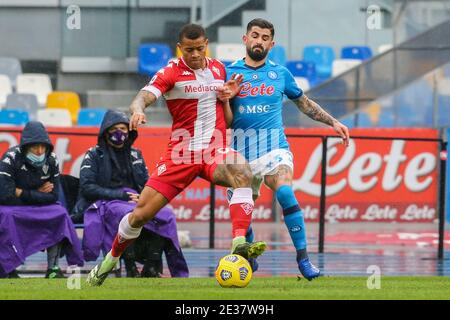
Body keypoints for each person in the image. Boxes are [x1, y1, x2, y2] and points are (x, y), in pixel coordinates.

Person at [86, 23, 266, 286]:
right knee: (140, 215)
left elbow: (226, 121)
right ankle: (108, 262)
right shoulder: (171, 72)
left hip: (214, 150)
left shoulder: (218, 69)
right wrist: (137, 110)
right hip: (181, 155)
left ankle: (239, 244)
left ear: (207, 45)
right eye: (189, 50)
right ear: (180, 48)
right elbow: (143, 96)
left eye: (200, 48)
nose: (194, 54)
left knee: (242, 170)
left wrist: (227, 98)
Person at [223, 18, 350, 281]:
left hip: (274, 149)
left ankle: (303, 259)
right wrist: (226, 98)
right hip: (239, 155)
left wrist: (333, 122)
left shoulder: (280, 73)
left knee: (284, 191)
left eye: (265, 37)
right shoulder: (228, 73)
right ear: (245, 39)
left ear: (272, 44)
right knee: (243, 210)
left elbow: (304, 104)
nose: (259, 40)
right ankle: (248, 253)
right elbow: (221, 118)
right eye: (255, 35)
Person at [72, 110, 188, 278]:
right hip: (106, 203)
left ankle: (151, 266)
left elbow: (149, 184)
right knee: (128, 215)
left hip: (135, 201)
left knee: (165, 214)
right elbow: (87, 188)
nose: (120, 133)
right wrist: (121, 195)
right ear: (106, 131)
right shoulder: (94, 154)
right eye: (115, 128)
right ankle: (130, 266)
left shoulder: (136, 154)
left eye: (124, 128)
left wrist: (144, 196)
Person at [0, 121, 84, 278]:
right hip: (10, 206)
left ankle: (53, 269)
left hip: (29, 202)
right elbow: (5, 195)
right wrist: (36, 193)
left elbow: (52, 197)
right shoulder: (10, 159)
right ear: (25, 146)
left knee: (59, 212)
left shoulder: (52, 159)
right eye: (34, 147)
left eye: (42, 146)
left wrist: (22, 192)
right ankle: (8, 268)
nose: (39, 151)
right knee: (6, 217)